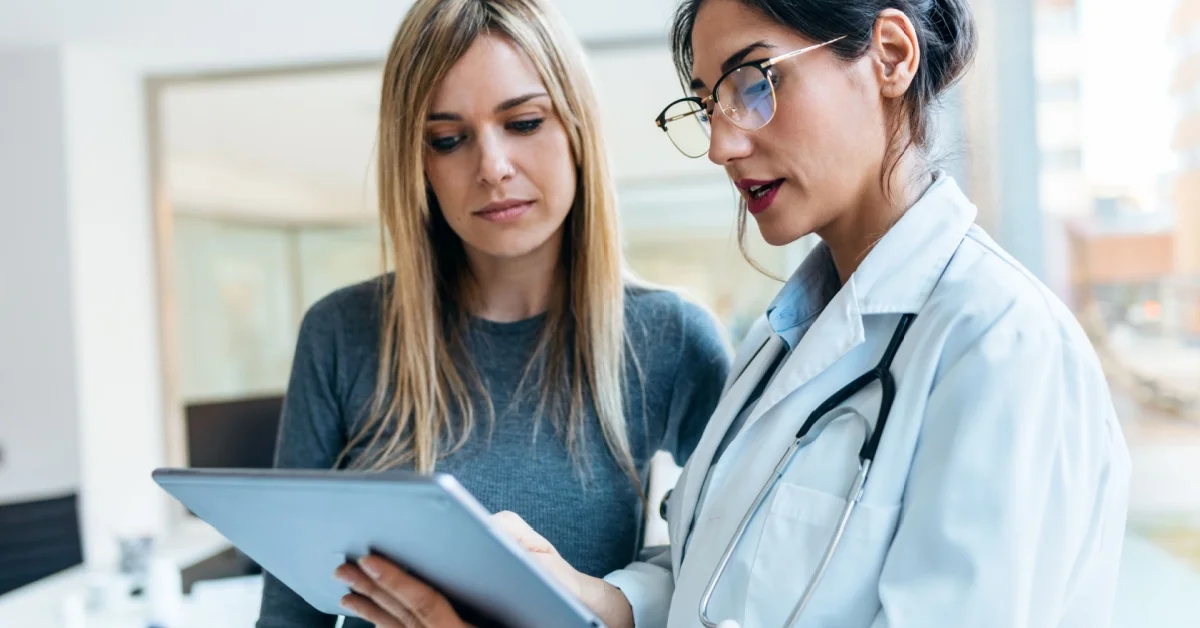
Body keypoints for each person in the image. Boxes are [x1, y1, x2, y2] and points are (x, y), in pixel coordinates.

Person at [335, 0, 1132, 627]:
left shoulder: (999, 344)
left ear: (890, 56)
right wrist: (586, 598)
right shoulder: (782, 344)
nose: (721, 143)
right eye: (708, 101)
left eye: (755, 82)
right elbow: (711, 574)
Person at [256, 0, 734, 626]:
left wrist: (618, 602)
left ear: (577, 129)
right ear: (417, 162)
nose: (492, 168)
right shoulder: (342, 334)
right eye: (447, 140)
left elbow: (735, 574)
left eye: (525, 122)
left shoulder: (670, 337)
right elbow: (290, 614)